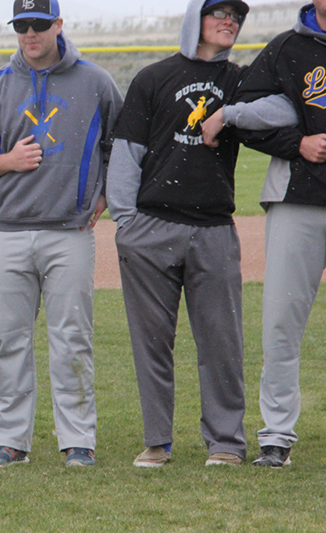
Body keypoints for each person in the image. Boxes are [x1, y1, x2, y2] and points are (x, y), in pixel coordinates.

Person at [108, 0, 296, 468]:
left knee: (222, 342)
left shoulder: (239, 80)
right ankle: (157, 441)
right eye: (220, 13)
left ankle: (226, 444)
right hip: (150, 227)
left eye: (237, 16)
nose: (230, 21)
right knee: (151, 343)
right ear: (197, 19)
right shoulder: (153, 77)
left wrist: (229, 115)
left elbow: (286, 110)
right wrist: (126, 225)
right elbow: (127, 153)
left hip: (213, 227)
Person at [0, 0, 123, 468]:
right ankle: (11, 440)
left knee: (72, 338)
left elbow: (121, 145)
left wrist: (107, 192)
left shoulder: (96, 82)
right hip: (8, 231)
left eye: (39, 24)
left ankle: (78, 440)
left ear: (58, 25)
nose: (30, 33)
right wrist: (1, 162)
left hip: (69, 231)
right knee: (9, 339)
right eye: (22, 25)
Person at [202, 0, 326, 468]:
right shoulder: (287, 48)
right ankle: (276, 436)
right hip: (297, 198)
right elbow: (246, 115)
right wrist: (299, 144)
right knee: (280, 324)